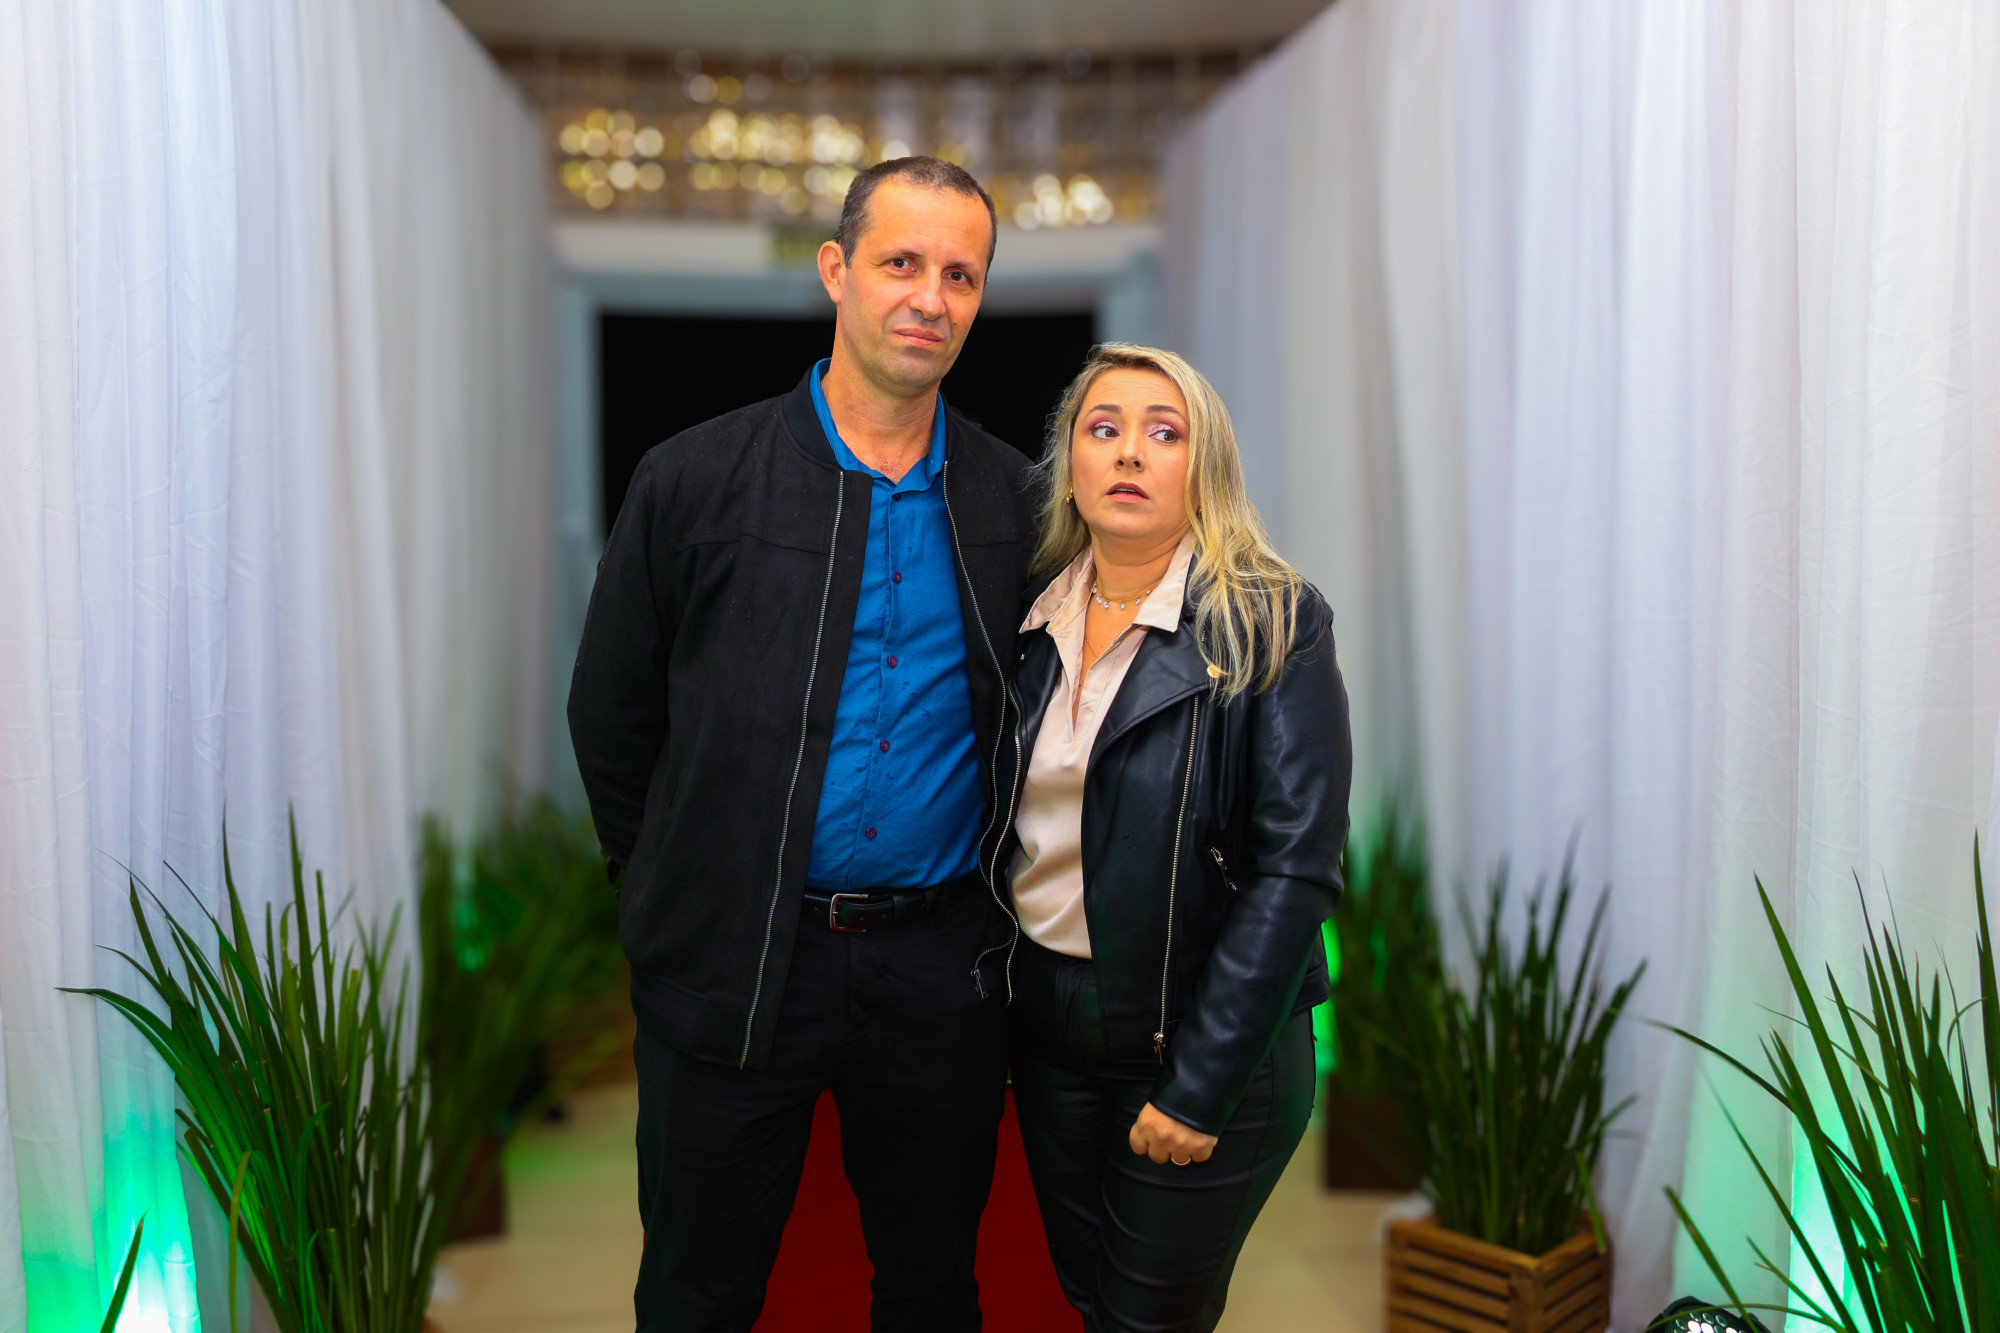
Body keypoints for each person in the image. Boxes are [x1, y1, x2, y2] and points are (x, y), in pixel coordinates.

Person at [567, 156, 1037, 1332]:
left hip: (938, 968)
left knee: (931, 1290)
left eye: (960, 274)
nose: (929, 297)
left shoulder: (1019, 506)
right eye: (900, 262)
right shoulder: (691, 480)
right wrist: (671, 886)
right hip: (732, 953)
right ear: (835, 270)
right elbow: (611, 713)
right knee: (696, 1295)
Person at [998, 344, 1351, 1332]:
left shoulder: (1271, 620)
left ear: (1206, 467)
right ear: (1069, 461)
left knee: (1145, 1320)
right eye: (1102, 428)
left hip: (1203, 1035)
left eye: (1164, 432)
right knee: (1090, 1299)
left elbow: (1295, 871)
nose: (1129, 452)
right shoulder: (1025, 617)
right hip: (1050, 1034)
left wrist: (1201, 1084)